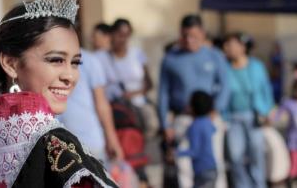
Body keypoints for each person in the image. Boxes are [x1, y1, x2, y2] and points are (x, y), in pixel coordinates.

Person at [0, 0, 118, 188]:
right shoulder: (53, 143)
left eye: (75, 63)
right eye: (56, 60)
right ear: (10, 63)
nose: (70, 76)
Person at [157, 14, 229, 188]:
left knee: (214, 161)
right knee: (185, 165)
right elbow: (163, 93)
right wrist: (165, 124)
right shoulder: (170, 59)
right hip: (184, 119)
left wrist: (216, 110)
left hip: (210, 118)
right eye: (184, 36)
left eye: (194, 36)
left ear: (203, 34)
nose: (189, 40)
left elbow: (226, 85)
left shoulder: (215, 56)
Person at [96, 18, 157, 188]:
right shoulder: (101, 57)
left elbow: (149, 83)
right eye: (119, 35)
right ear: (112, 35)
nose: (122, 39)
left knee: (137, 153)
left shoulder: (137, 54)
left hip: (136, 111)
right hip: (114, 112)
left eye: (126, 35)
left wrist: (132, 94)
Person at [223, 32, 274, 188]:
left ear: (242, 47)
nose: (228, 48)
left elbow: (266, 89)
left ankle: (259, 184)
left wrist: (267, 111)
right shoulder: (225, 68)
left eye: (231, 44)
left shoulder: (256, 66)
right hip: (233, 117)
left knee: (256, 153)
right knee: (235, 155)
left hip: (254, 115)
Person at [58, 48, 123, 164]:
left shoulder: (89, 61)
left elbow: (101, 103)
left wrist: (112, 138)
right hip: (58, 146)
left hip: (90, 144)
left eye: (75, 64)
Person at [177, 90, 217, 188]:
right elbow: (213, 130)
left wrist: (176, 153)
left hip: (202, 170)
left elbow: (194, 151)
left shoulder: (194, 126)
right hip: (212, 168)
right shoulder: (208, 122)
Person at [273, 79, 297, 186]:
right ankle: (290, 182)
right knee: (294, 165)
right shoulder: (289, 103)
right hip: (293, 141)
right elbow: (277, 116)